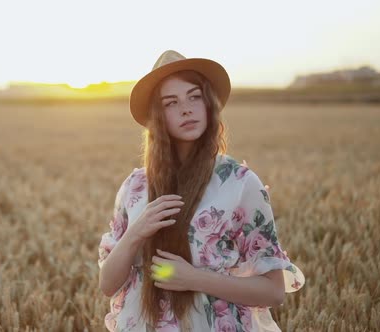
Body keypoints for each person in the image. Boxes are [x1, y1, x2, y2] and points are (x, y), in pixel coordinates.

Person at [97, 50, 305, 331]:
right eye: (171, 103)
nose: (186, 108)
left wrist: (193, 278)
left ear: (209, 104)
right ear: (158, 117)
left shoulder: (240, 183)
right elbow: (108, 284)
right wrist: (137, 231)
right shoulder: (135, 187)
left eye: (194, 96)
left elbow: (274, 291)